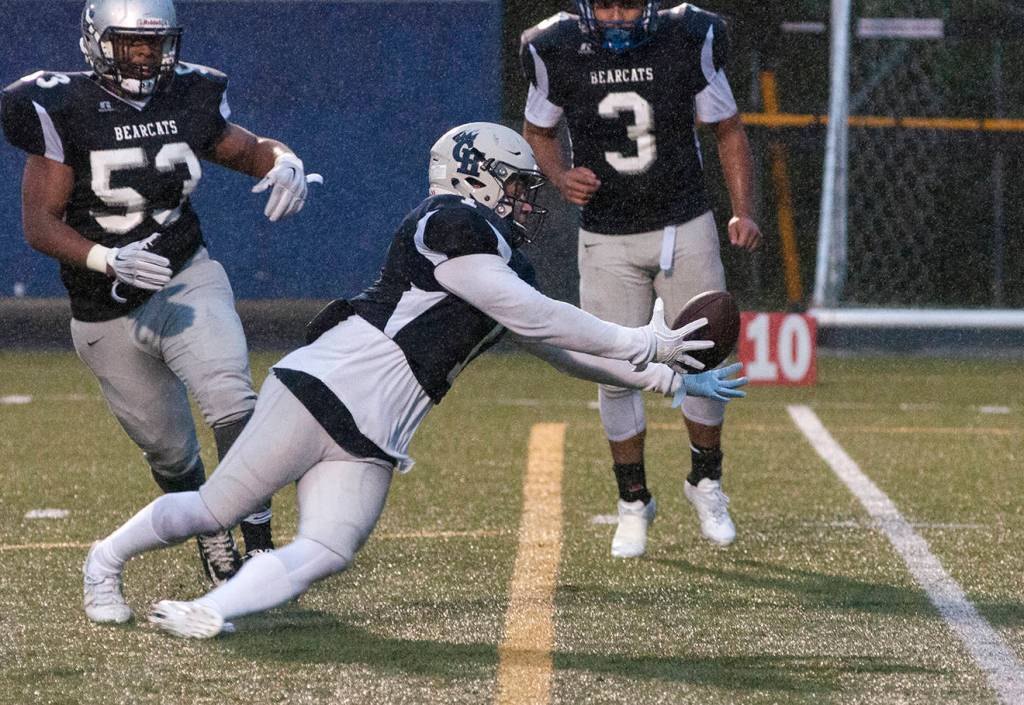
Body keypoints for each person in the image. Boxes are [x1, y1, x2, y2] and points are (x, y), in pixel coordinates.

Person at [78, 122, 747, 637]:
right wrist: (638, 337)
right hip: (327, 386)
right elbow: (529, 313)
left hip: (378, 425)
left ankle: (208, 611)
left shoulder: (501, 254)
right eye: (515, 185)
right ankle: (103, 561)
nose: (523, 202)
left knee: (328, 546)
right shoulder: (450, 223)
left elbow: (556, 346)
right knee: (214, 508)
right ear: (476, 176)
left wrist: (666, 377)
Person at [0, 0, 319, 583]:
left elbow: (249, 150)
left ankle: (262, 548)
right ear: (97, 41)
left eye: (157, 42)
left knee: (232, 399)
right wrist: (106, 259)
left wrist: (285, 159)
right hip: (102, 305)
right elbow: (39, 223)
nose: (147, 54)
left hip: (183, 273)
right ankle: (210, 528)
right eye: (132, 43)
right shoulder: (58, 104)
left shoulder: (190, 93)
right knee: (170, 454)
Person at [519, 0, 763, 557]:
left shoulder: (687, 35)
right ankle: (633, 500)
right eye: (606, 5)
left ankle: (706, 480)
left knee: (705, 354)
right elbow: (538, 130)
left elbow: (726, 127)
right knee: (615, 366)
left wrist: (742, 209)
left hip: (686, 221)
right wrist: (558, 175)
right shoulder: (553, 45)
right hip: (606, 233)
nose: (618, 17)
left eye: (628, 3)